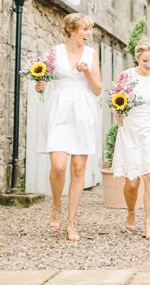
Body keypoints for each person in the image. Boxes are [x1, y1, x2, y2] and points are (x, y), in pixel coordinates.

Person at [35, 12, 102, 241]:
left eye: (89, 29)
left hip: (83, 111)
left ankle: (72, 222)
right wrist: (40, 84)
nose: (88, 34)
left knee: (78, 169)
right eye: (85, 29)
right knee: (58, 166)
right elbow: (41, 81)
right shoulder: (54, 52)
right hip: (59, 110)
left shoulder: (92, 54)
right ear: (72, 30)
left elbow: (97, 89)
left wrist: (86, 72)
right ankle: (56, 206)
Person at [112, 38, 150, 240]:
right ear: (138, 58)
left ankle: (148, 223)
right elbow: (116, 102)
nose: (148, 65)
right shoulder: (125, 76)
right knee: (131, 183)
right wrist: (117, 113)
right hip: (129, 130)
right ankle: (130, 212)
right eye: (145, 60)